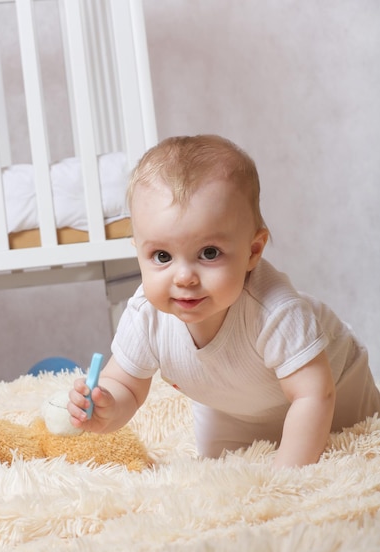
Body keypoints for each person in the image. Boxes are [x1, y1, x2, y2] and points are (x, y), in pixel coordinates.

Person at [67, 134, 380, 468]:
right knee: (220, 475)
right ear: (138, 252)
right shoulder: (146, 315)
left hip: (334, 396)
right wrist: (106, 405)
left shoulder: (275, 312)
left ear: (253, 251)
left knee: (352, 450)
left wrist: (286, 477)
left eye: (209, 253)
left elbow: (314, 394)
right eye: (161, 256)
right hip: (231, 412)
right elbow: (125, 385)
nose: (184, 277)